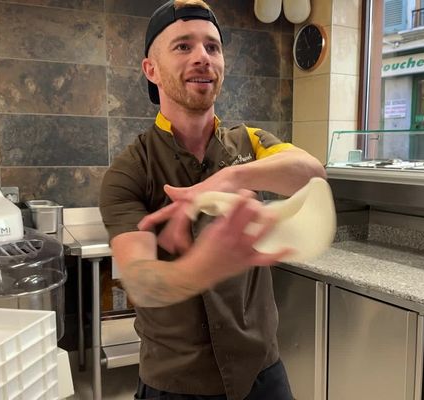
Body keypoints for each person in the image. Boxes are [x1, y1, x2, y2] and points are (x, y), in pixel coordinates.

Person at [99, 1, 326, 399]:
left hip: (263, 374)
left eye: (213, 47)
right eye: (183, 46)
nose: (203, 57)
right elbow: (141, 282)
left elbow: (310, 172)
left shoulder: (249, 143)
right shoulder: (130, 170)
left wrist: (230, 176)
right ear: (150, 69)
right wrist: (204, 266)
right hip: (176, 384)